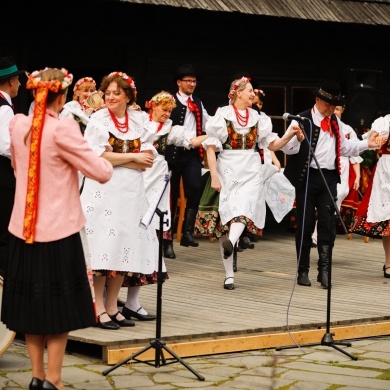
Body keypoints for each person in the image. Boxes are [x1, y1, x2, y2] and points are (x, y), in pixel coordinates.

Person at [1, 67, 113, 390]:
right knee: (59, 309)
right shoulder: (62, 129)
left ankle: (37, 377)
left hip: (23, 232)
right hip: (58, 233)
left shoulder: (18, 125)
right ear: (61, 96)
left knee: (33, 308)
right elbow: (101, 172)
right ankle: (54, 379)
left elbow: (16, 165)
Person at [196, 76, 304, 290]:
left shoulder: (258, 118)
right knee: (226, 218)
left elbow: (272, 145)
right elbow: (210, 147)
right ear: (237, 92)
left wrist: (290, 134)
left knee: (245, 208)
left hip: (251, 168)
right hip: (228, 167)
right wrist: (215, 176)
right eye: (250, 90)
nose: (253, 93)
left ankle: (232, 242)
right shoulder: (223, 115)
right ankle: (229, 274)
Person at [281, 81, 384, 289]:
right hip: (307, 177)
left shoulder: (335, 123)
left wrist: (367, 144)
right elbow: (288, 150)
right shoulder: (303, 119)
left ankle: (324, 270)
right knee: (306, 223)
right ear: (318, 100)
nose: (331, 108)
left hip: (328, 178)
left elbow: (345, 148)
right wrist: (297, 138)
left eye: (334, 105)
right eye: (328, 104)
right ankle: (303, 270)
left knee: (328, 223)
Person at [81, 71, 162, 329]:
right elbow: (96, 157)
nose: (111, 97)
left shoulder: (139, 121)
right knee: (104, 247)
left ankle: (113, 306)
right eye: (108, 93)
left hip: (130, 193)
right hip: (103, 190)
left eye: (117, 93)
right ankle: (97, 306)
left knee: (123, 249)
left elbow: (147, 160)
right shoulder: (98, 120)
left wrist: (128, 158)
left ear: (128, 96)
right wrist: (133, 158)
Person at [164, 64, 209, 258]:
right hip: (173, 153)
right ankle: (168, 241)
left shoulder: (198, 103)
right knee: (171, 196)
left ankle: (187, 232)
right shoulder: (170, 101)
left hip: (192, 153)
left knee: (195, 187)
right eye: (188, 81)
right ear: (179, 82)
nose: (191, 84)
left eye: (193, 81)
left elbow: (207, 122)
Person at [311, 103, 363, 245]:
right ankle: (319, 234)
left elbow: (354, 155)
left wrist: (357, 176)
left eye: (339, 109)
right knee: (328, 202)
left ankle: (321, 234)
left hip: (344, 167)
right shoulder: (322, 124)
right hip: (330, 164)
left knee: (338, 195)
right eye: (335, 108)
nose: (336, 111)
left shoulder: (347, 129)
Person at [352, 114, 390, 278]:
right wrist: (377, 135)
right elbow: (373, 136)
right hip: (387, 171)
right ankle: (389, 263)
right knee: (387, 221)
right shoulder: (386, 121)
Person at [0, 56, 25, 277]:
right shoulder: (4, 107)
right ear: (11, 81)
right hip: (3, 177)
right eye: (18, 80)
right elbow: (5, 145)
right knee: (4, 231)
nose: (19, 85)